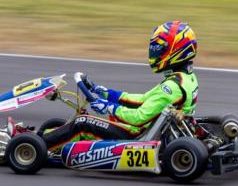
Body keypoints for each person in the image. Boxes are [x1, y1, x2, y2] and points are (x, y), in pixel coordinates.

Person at [42, 21, 199, 152]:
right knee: (84, 121)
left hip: (138, 136)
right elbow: (143, 100)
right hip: (151, 131)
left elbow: (138, 118)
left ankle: (36, 145)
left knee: (82, 123)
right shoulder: (185, 78)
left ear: (177, 51)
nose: (155, 53)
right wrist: (105, 93)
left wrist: (108, 108)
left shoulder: (172, 87)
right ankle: (43, 138)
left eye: (160, 49)